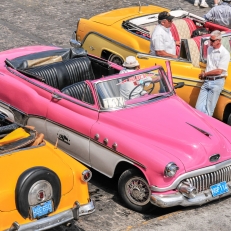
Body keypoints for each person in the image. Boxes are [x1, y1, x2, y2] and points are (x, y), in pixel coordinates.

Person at [195, 30, 230, 116]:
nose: (210, 42)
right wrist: (205, 74)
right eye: (210, 39)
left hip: (217, 82)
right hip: (207, 80)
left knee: (208, 110)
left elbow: (219, 71)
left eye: (212, 40)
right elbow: (210, 65)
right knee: (198, 108)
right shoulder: (210, 48)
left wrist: (205, 74)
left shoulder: (225, 53)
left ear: (219, 41)